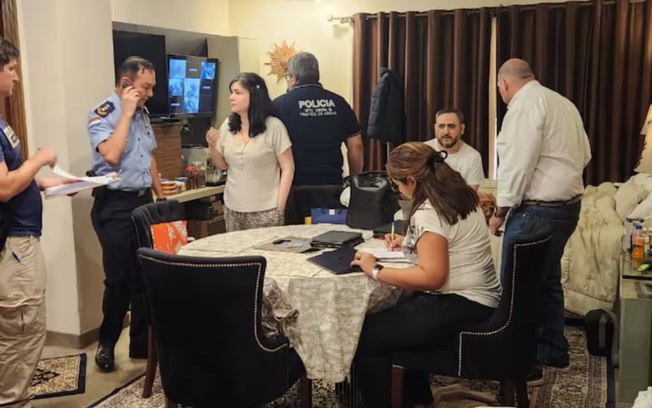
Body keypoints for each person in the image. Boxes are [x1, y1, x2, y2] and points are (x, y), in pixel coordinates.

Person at [351, 142, 501, 408]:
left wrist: (375, 269)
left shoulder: (429, 211)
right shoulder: (462, 195)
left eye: (397, 186)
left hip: (461, 302)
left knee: (365, 335)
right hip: (482, 299)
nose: (399, 192)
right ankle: (415, 399)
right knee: (397, 319)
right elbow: (447, 242)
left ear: (411, 180)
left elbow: (432, 277)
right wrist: (411, 242)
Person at [489, 58, 592, 385]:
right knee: (547, 280)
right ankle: (554, 352)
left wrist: (500, 211)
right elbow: (586, 154)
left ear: (504, 84)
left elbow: (517, 164)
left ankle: (523, 365)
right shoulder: (563, 103)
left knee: (518, 289)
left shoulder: (524, 105)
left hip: (537, 210)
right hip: (568, 208)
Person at [0, 37, 75, 407]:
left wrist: (51, 183)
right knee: (22, 332)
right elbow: (4, 187)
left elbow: (18, 179)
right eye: (11, 69)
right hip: (15, 246)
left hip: (23, 241)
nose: (16, 77)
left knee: (26, 330)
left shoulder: (3, 125)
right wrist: (41, 157)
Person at [87, 56, 165, 373]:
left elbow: (149, 157)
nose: (150, 93)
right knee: (119, 279)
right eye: (145, 87)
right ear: (125, 83)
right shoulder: (102, 113)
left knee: (146, 275)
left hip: (143, 203)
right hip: (114, 205)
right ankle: (106, 344)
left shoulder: (144, 114)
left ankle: (141, 345)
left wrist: (160, 197)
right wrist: (126, 113)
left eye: (152, 87)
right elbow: (111, 153)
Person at [273, 52, 363, 224]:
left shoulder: (279, 105)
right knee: (330, 235)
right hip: (332, 185)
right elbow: (356, 146)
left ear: (293, 78)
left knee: (294, 238)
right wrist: (353, 179)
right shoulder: (339, 102)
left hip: (294, 188)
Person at [206, 72, 294, 232]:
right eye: (231, 92)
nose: (231, 97)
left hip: (266, 210)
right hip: (233, 208)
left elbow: (288, 167)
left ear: (254, 96)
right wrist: (212, 145)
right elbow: (222, 166)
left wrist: (280, 206)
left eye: (237, 93)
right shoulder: (227, 125)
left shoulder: (274, 126)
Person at [424, 108, 484, 190]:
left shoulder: (473, 156)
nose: (446, 132)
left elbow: (471, 194)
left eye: (451, 126)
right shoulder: (423, 150)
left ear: (462, 129)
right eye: (441, 126)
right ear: (435, 128)